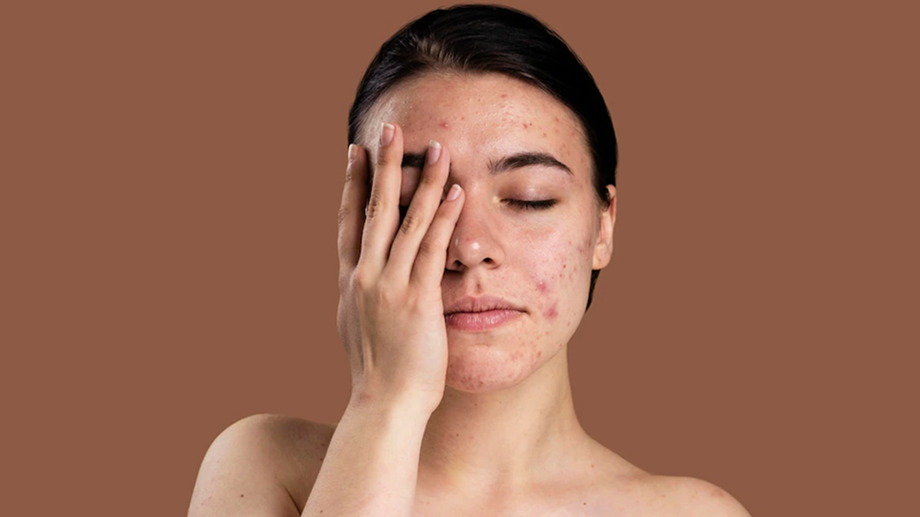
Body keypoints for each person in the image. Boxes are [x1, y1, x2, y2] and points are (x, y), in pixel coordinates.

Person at [188, 5, 751, 516]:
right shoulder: (264, 466)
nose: (469, 247)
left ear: (603, 227)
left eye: (530, 198)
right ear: (359, 223)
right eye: (413, 202)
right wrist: (384, 403)